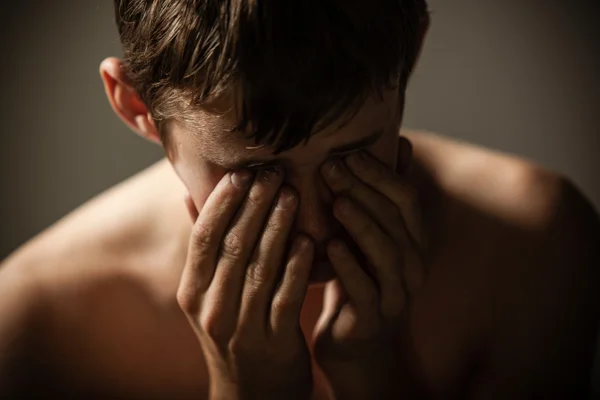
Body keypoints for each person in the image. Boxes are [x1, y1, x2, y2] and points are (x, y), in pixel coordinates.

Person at [1, 0, 599, 398]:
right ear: (138, 108)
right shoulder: (34, 328)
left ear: (411, 54)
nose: (314, 224)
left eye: (351, 158)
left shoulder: (536, 248)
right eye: (256, 174)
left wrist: (380, 375)